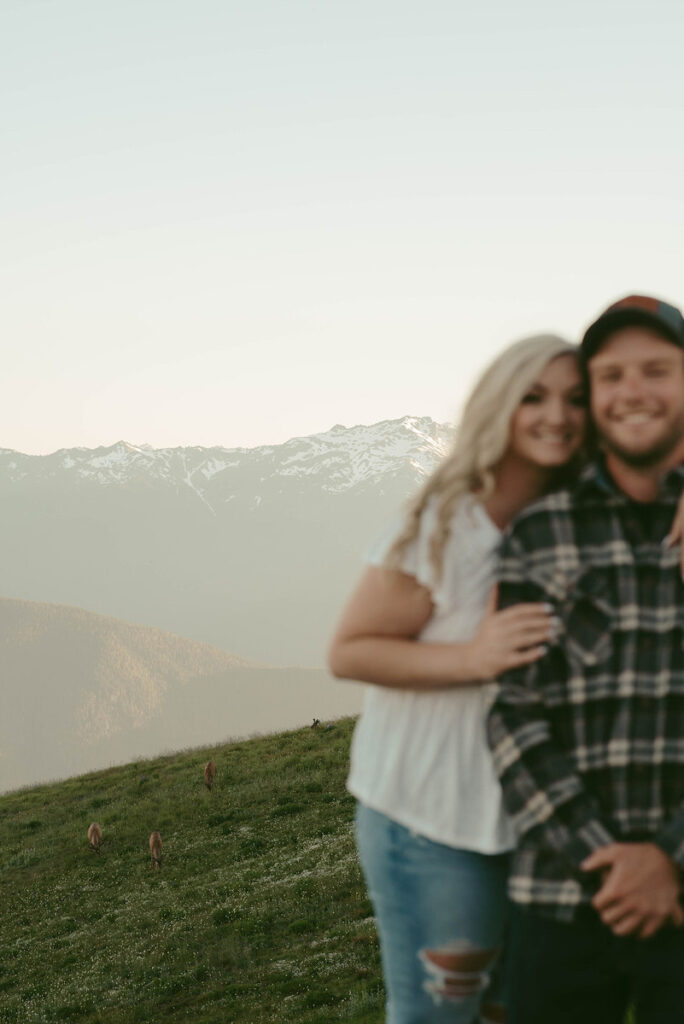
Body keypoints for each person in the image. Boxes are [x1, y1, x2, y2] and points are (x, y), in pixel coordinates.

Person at [328, 333, 588, 1024]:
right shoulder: (444, 524)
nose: (556, 415)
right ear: (498, 406)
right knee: (438, 1017)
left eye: (575, 399)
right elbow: (350, 650)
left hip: (533, 826)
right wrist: (472, 658)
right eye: (533, 396)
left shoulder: (579, 519)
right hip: (431, 820)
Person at [487, 294, 684, 1024]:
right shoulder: (542, 530)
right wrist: (614, 863)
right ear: (595, 398)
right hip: (563, 895)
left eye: (657, 370)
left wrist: (670, 859)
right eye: (612, 376)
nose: (633, 391)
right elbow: (514, 715)